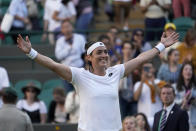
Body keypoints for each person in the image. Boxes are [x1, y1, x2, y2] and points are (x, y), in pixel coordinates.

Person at [16, 30, 178, 131]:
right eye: (99, 52)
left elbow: (140, 59)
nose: (104, 55)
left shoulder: (115, 72)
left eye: (106, 52)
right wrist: (31, 52)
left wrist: (161, 46)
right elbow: (53, 65)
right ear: (89, 57)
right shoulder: (79, 75)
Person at [55, 20, 86, 93]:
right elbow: (58, 56)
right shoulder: (60, 41)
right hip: (65, 71)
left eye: (68, 26)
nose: (67, 29)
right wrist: (69, 48)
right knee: (68, 94)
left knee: (81, 93)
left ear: (72, 27)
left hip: (79, 69)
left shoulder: (80, 38)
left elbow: (84, 53)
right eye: (64, 27)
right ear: (62, 30)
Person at [133, 62, 166, 127]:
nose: (147, 70)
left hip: (157, 116)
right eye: (145, 68)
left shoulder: (159, 82)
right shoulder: (138, 84)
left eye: (149, 68)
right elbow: (136, 98)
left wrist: (153, 82)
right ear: (142, 70)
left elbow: (163, 97)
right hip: (143, 118)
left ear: (153, 69)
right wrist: (142, 81)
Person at [173, 61, 196, 130]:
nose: (188, 71)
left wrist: (193, 99)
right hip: (179, 119)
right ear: (182, 72)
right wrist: (183, 100)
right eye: (186, 69)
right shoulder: (175, 87)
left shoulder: (195, 87)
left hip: (193, 121)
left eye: (190, 69)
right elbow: (172, 102)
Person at [119, 41, 137, 120]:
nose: (128, 50)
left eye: (130, 48)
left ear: (132, 50)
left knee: (134, 120)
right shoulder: (118, 64)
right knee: (123, 121)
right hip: (121, 96)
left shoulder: (136, 63)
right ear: (122, 50)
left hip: (134, 97)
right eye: (126, 48)